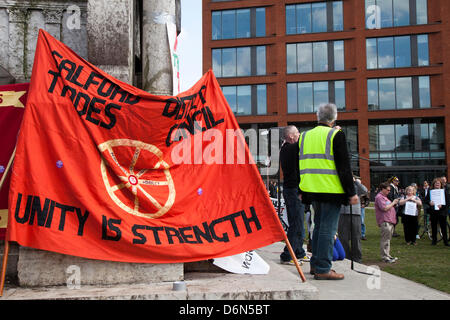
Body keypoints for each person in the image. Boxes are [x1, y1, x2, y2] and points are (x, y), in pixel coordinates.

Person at [298, 103, 358, 280]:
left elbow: (299, 164)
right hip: (330, 190)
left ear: (317, 117)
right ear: (334, 118)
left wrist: (301, 189)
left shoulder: (304, 136)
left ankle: (315, 264)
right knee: (327, 229)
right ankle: (323, 268)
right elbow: (344, 167)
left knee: (317, 228)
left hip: (311, 189)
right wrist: (351, 192)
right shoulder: (335, 134)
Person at [279, 125, 309, 265]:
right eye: (297, 133)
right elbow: (302, 143)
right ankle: (287, 255)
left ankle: (298, 252)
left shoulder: (289, 148)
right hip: (293, 190)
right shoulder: (288, 148)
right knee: (296, 223)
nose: (299, 134)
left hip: (294, 189)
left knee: (299, 223)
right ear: (291, 136)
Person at [338, 176, 367, 263]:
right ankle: (346, 257)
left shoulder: (356, 185)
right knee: (343, 237)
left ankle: (357, 257)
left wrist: (356, 182)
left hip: (355, 213)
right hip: (342, 213)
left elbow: (364, 191)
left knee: (356, 236)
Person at [374, 182, 400, 263]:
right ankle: (384, 257)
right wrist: (393, 203)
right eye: (387, 190)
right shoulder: (379, 197)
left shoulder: (385, 197)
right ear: (382, 189)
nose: (389, 192)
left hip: (389, 221)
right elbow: (384, 208)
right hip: (385, 221)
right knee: (385, 240)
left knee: (387, 239)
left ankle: (387, 255)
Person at [424, 178, 449, 246]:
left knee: (443, 227)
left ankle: (445, 241)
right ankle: (434, 241)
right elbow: (425, 200)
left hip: (442, 212)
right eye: (436, 183)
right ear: (433, 184)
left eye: (438, 183)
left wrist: (442, 206)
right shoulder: (430, 191)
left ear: (441, 184)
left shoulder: (444, 191)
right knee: (434, 227)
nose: (437, 184)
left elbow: (448, 202)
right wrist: (429, 202)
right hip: (433, 212)